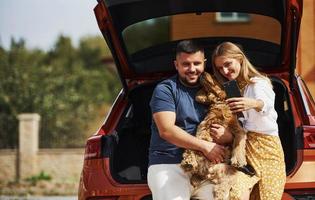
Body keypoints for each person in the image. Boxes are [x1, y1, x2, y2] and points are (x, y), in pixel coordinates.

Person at [147, 40, 233, 200]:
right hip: (170, 164)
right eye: (186, 64)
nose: (192, 69)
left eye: (197, 63)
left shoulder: (218, 88)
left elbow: (241, 121)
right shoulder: (165, 89)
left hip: (210, 166)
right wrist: (204, 146)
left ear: (204, 63)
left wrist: (230, 136)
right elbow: (166, 130)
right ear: (176, 65)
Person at [211, 41, 286, 200]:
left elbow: (265, 105)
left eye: (227, 64)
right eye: (219, 68)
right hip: (245, 148)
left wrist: (253, 103)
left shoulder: (258, 83)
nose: (224, 70)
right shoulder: (235, 88)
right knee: (236, 194)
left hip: (268, 150)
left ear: (239, 59)